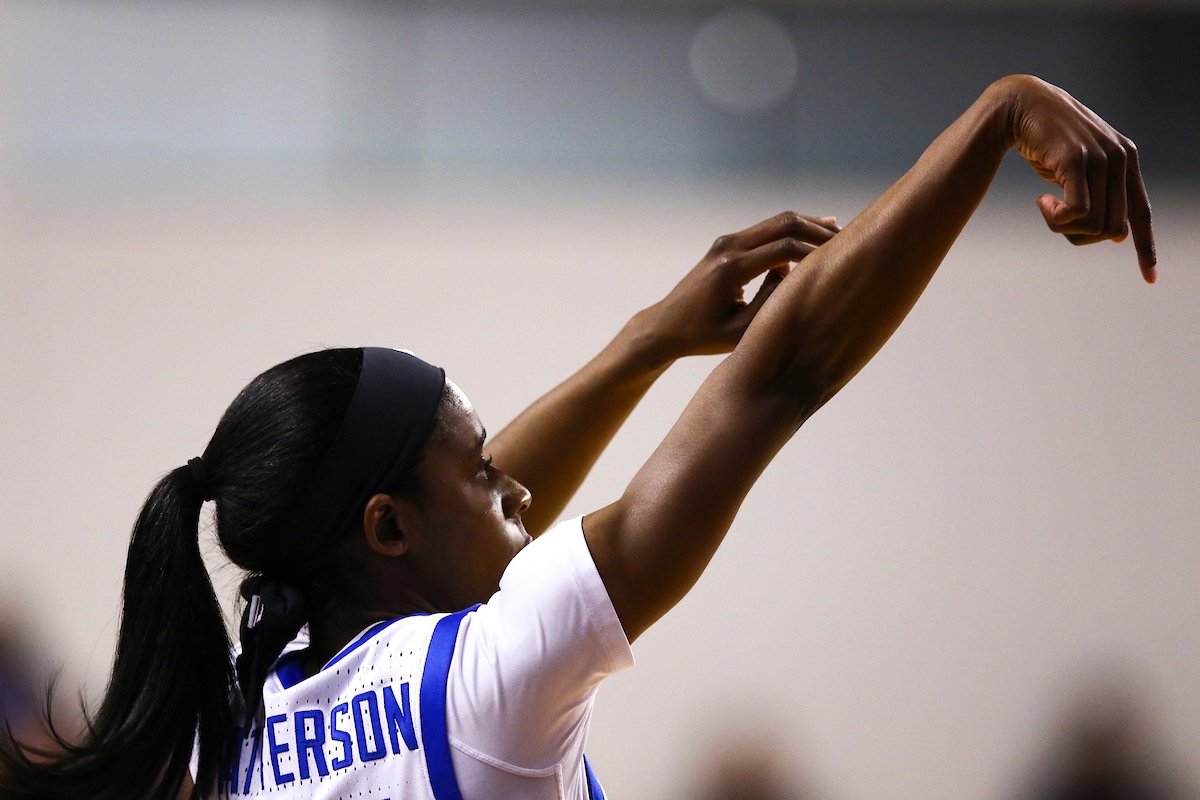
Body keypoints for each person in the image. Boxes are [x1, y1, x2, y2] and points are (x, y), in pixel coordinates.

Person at [0, 74, 1155, 800]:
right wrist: (999, 115)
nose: (515, 485)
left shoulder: (244, 720)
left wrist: (644, 342)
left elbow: (471, 528)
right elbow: (778, 379)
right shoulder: (488, 679)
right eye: (479, 463)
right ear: (385, 525)